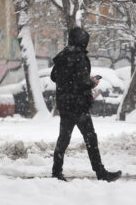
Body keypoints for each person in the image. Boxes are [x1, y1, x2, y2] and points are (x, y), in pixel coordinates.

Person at [51, 27, 121, 182]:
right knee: (91, 139)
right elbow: (82, 83)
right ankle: (101, 173)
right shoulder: (80, 57)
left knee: (63, 138)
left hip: (65, 105)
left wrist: (68, 82)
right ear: (82, 41)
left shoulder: (62, 56)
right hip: (78, 106)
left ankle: (56, 172)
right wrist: (93, 82)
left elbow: (54, 77)